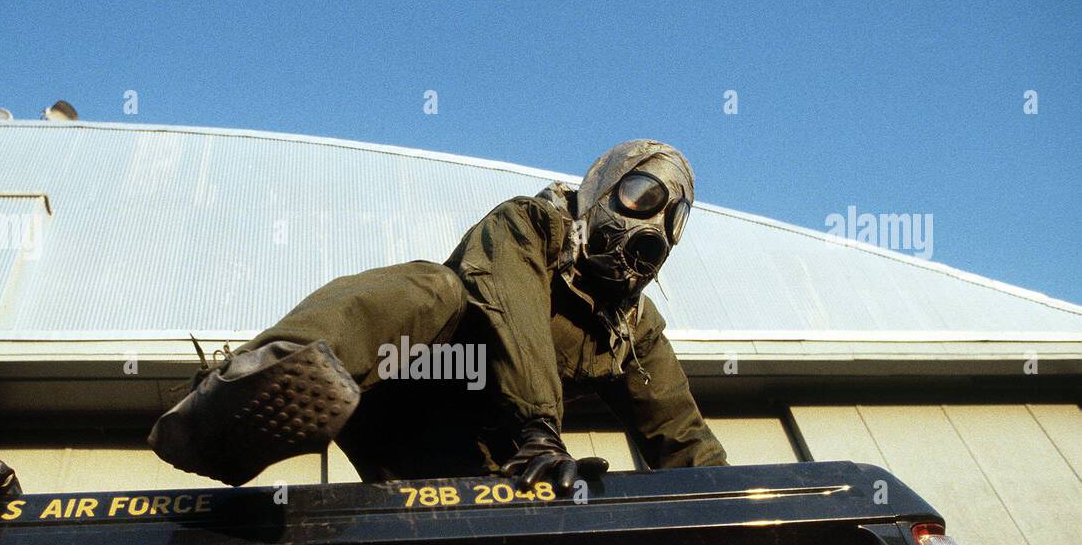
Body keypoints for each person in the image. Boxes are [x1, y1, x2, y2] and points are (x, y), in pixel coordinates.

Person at [149, 139, 727, 491]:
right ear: (604, 186)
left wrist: (744, 508)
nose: (653, 226)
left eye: (671, 221)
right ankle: (236, 396)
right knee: (437, 288)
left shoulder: (632, 328)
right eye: (645, 195)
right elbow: (513, 309)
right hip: (396, 384)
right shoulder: (531, 226)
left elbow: (681, 434)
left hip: (457, 459)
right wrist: (540, 432)